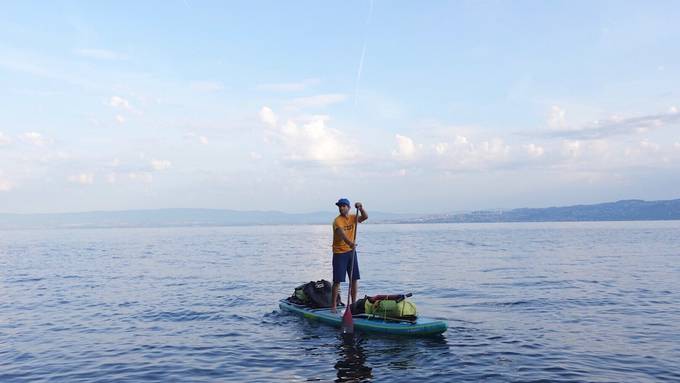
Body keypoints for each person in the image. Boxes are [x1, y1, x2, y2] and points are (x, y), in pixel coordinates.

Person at [331, 198, 368, 313]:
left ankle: (353, 304)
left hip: (351, 253)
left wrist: (361, 208)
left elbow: (365, 217)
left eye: (343, 206)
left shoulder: (353, 217)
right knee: (337, 281)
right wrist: (350, 243)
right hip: (339, 253)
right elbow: (342, 234)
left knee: (354, 279)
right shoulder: (337, 221)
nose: (341, 208)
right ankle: (333, 306)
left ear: (348, 207)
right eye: (339, 206)